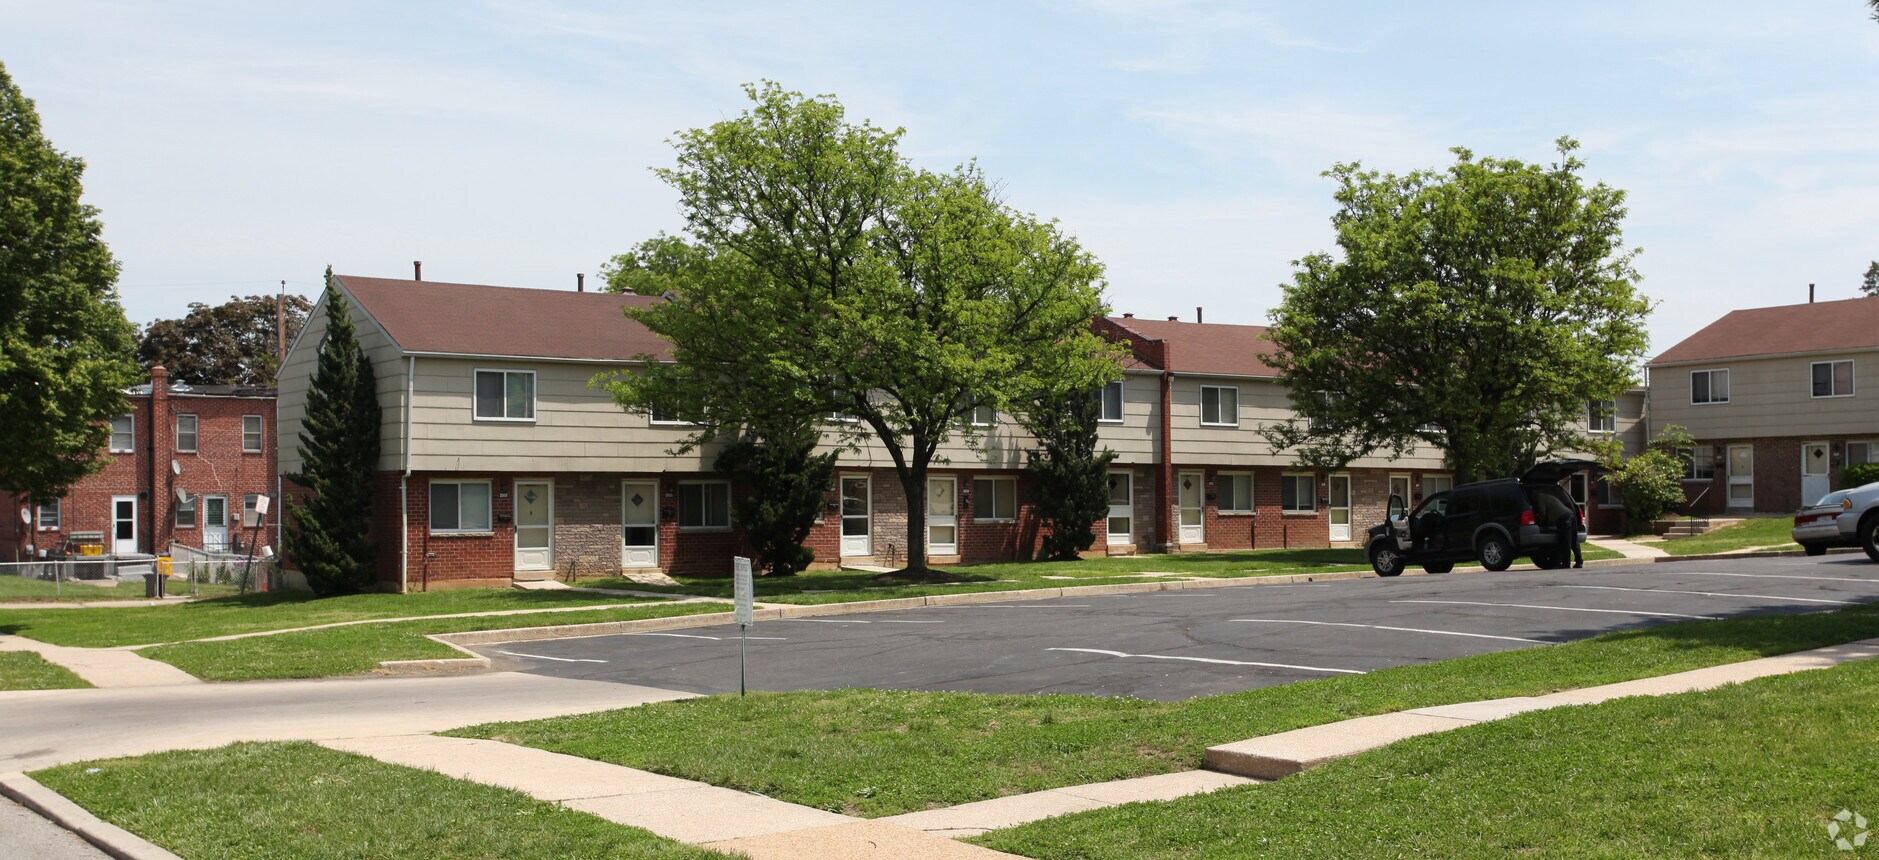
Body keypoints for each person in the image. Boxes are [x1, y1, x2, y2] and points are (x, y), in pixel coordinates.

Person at [1533, 491, 1582, 568]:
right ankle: (1579, 562)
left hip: (1563, 518)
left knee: (1566, 542)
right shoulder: (1548, 496)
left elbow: (1542, 512)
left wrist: (1539, 523)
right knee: (1574, 540)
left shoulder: (1541, 498)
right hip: (1571, 514)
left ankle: (1566, 563)